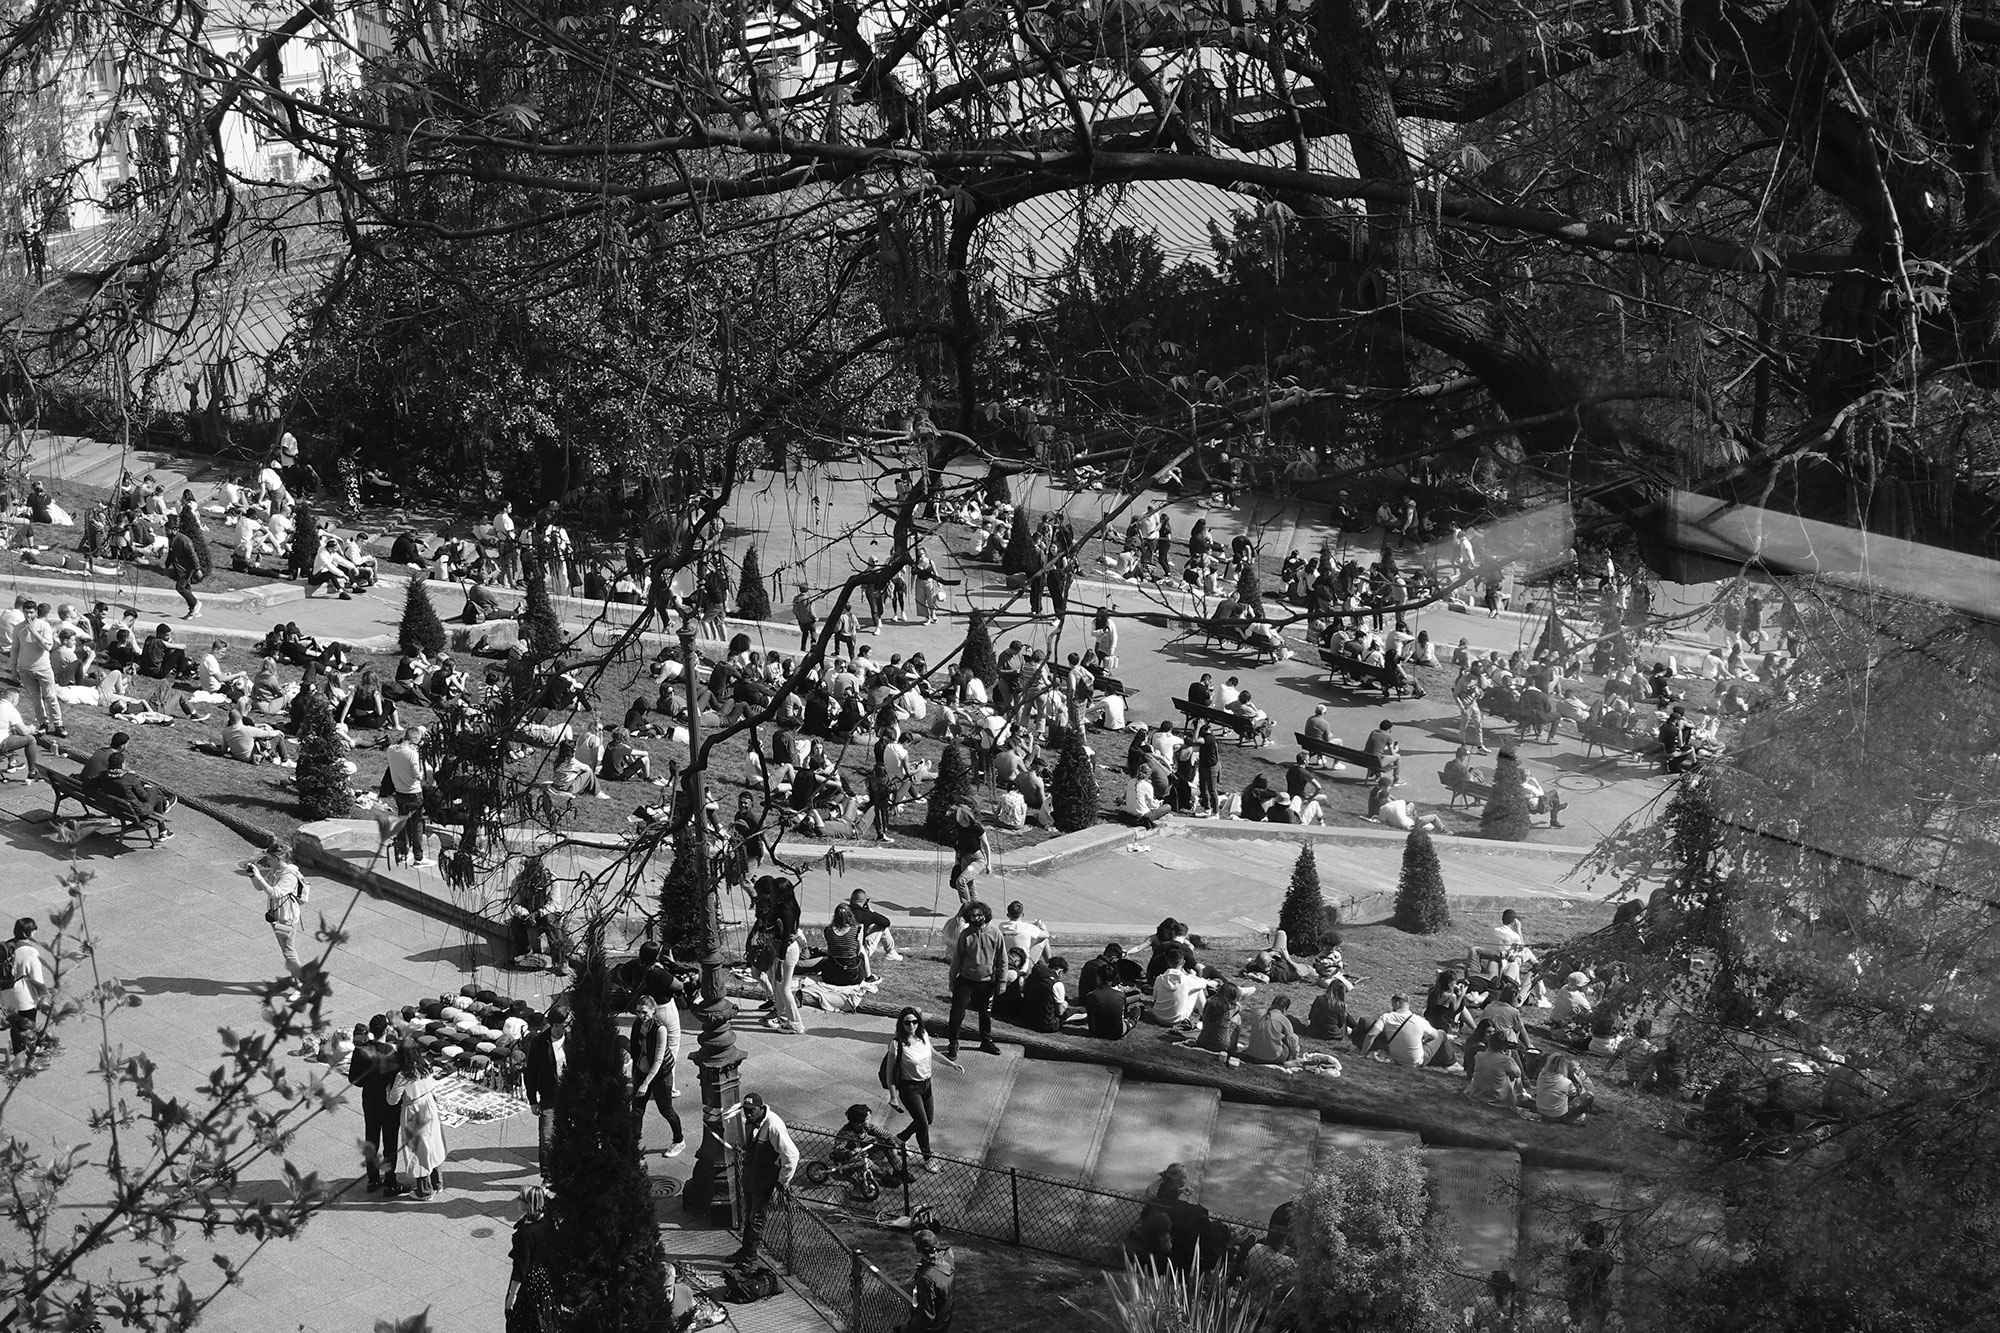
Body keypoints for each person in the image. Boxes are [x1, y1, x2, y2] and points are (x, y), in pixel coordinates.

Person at [725, 1092, 800, 1264]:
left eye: (752, 1110)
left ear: (761, 1108)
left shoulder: (773, 1126)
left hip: (763, 1179)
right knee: (750, 1216)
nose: (748, 1113)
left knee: (755, 1218)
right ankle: (746, 1251)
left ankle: (749, 1255)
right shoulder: (753, 1121)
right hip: (752, 1176)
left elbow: (792, 1155)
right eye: (746, 1110)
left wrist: (783, 1180)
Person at [347, 1014, 407, 1194]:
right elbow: (398, 1080)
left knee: (371, 1139)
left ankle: (373, 1179)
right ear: (386, 1030)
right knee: (390, 1143)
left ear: (371, 1031)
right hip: (389, 1104)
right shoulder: (393, 1053)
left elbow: (354, 1079)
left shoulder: (360, 1052)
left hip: (370, 1101)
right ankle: (390, 1181)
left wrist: (369, 1084)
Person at [880, 1007, 943, 1172]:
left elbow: (934, 1054)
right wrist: (893, 1096)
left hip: (926, 1084)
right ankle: (928, 1157)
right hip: (909, 1088)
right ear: (902, 1024)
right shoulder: (896, 1044)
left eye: (915, 1021)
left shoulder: (923, 1036)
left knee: (928, 1120)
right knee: (922, 1124)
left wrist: (952, 1064)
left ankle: (901, 1138)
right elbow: (890, 1072)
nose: (912, 1025)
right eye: (907, 1022)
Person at [943, 900, 1004, 1059]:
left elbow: (1002, 959)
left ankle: (986, 1040)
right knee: (957, 1013)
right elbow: (957, 959)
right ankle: (953, 1043)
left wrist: (1001, 982)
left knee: (985, 1013)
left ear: (985, 915)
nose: (976, 918)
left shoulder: (995, 933)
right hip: (965, 980)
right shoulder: (965, 935)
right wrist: (952, 980)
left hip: (987, 981)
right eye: (972, 916)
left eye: (979, 915)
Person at [630, 994, 687, 1156]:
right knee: (637, 1110)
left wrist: (645, 1083)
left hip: (660, 1074)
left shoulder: (660, 1029)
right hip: (642, 1069)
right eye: (639, 1012)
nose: (642, 1016)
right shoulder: (637, 1025)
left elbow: (658, 1060)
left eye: (645, 1012)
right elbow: (636, 1050)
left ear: (654, 1011)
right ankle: (633, 1146)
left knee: (666, 1110)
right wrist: (635, 1073)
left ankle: (679, 1140)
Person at [389, 1043, 448, 1197]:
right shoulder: (425, 1066)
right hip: (429, 1105)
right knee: (433, 1143)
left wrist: (388, 1090)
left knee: (418, 1150)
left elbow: (393, 1100)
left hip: (413, 1110)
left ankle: (425, 1190)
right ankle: (437, 1182)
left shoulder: (403, 1075)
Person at [248, 843, 309, 984]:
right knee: (286, 951)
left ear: (278, 858)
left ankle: (301, 984)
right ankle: (297, 976)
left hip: (287, 918)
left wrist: (259, 875)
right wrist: (252, 875)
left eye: (270, 858)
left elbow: (276, 893)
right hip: (277, 916)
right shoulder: (276, 870)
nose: (267, 862)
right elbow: (259, 887)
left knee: (289, 952)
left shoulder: (289, 876)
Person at [505, 1184, 560, 1333]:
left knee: (522, 1323)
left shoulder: (524, 1234)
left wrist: (512, 1295)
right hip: (546, 1280)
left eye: (520, 1198)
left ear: (528, 1204)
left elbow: (520, 1269)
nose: (517, 1200)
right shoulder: (547, 1221)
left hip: (529, 1285)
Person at [523, 1005, 569, 1174]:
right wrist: (533, 1101)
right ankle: (547, 1173)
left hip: (569, 1095)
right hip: (549, 1097)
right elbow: (531, 1073)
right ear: (555, 1025)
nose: (568, 1026)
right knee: (546, 1137)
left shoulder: (572, 1039)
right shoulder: (540, 1043)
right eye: (565, 1023)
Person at [4, 917, 52, 1071]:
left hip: (5, 993)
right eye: (34, 929)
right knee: (27, 1027)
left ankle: (18, 1058)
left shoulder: (6, 946)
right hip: (23, 997)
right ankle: (29, 1061)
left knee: (15, 1025)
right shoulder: (30, 951)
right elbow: (37, 980)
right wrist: (44, 998)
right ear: (29, 932)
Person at [1361, 994, 1442, 1067]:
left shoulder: (1387, 1017)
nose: (1392, 1007)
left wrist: (1363, 1053)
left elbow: (1371, 1035)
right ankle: (1450, 1061)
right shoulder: (1420, 1020)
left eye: (1392, 1005)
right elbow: (1435, 1035)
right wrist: (1424, 1041)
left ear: (1397, 1004)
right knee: (1441, 1034)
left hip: (1395, 1057)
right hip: (1415, 1062)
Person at [902, 1229, 956, 1333]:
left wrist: (908, 1328)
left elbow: (926, 1316)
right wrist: (926, 1267)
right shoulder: (948, 1258)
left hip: (932, 1328)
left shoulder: (927, 1279)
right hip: (944, 1320)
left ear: (918, 1250)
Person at [1149, 948, 1213, 1028]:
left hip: (1158, 1017)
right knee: (1198, 989)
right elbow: (1203, 984)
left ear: (1168, 962)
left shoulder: (1160, 979)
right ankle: (1205, 1016)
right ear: (1183, 962)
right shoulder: (1188, 980)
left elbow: (1154, 997)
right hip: (1177, 1019)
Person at [1243, 995, 1305, 1065]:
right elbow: (1292, 1042)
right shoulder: (1283, 1019)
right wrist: (1294, 1055)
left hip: (1252, 1055)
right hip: (1273, 1058)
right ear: (1284, 1009)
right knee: (1290, 1039)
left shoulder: (1257, 1013)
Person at [1536, 1053, 1595, 1125]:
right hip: (1557, 1116)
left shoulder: (1541, 1075)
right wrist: (1575, 1077)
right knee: (1589, 1096)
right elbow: (1575, 1093)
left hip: (1540, 1110)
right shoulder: (1566, 1082)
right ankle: (1576, 1116)